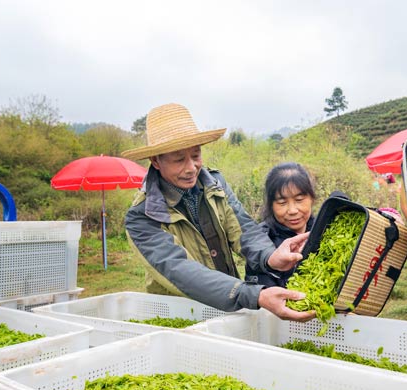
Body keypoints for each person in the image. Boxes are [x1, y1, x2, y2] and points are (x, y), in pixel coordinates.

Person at [122, 103, 314, 321]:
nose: (191, 167)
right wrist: (251, 294)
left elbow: (243, 229)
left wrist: (270, 256)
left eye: (196, 155)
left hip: (225, 309)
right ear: (156, 161)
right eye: (178, 159)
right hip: (180, 316)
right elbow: (179, 270)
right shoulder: (142, 216)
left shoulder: (215, 184)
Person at [244, 163, 317, 288]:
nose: (292, 210)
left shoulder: (323, 230)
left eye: (299, 200)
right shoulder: (261, 243)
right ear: (271, 205)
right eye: (282, 203)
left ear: (312, 199)